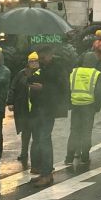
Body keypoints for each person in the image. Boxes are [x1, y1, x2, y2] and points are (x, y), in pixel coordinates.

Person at [29, 46, 65, 186]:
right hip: (40, 108)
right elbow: (37, 79)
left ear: (49, 54)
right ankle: (44, 172)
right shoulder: (45, 67)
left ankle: (47, 173)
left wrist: (42, 88)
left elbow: (61, 88)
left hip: (48, 108)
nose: (41, 59)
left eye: (42, 57)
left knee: (44, 140)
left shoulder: (57, 68)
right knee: (41, 139)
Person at [66, 53, 101, 171]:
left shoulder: (74, 72)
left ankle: (69, 157)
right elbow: (98, 92)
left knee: (74, 131)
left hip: (76, 105)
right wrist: (97, 107)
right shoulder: (97, 74)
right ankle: (85, 157)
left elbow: (68, 87)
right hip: (89, 106)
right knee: (86, 132)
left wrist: (70, 103)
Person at [10, 52, 40, 171]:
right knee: (26, 133)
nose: (34, 63)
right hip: (24, 109)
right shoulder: (21, 74)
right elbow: (13, 87)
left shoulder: (41, 73)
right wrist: (10, 102)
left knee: (37, 134)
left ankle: (37, 157)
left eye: (36, 61)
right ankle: (24, 153)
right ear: (28, 63)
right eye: (31, 61)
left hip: (37, 109)